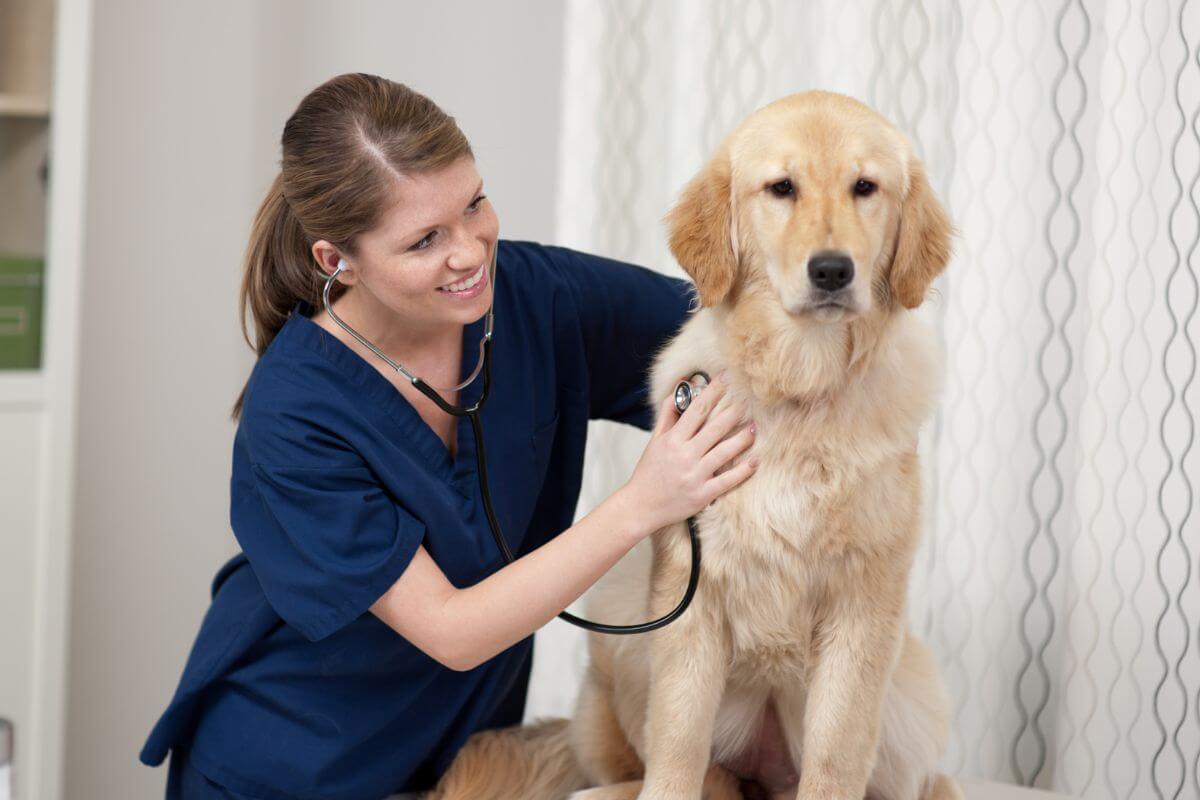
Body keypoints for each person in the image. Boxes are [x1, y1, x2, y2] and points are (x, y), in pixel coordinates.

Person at [139, 72, 758, 800]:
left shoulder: (537, 299)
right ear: (337, 261)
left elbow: (728, 335)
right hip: (291, 758)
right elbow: (451, 631)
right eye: (425, 240)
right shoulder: (296, 413)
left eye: (474, 204)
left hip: (462, 757)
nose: (469, 252)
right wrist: (645, 501)